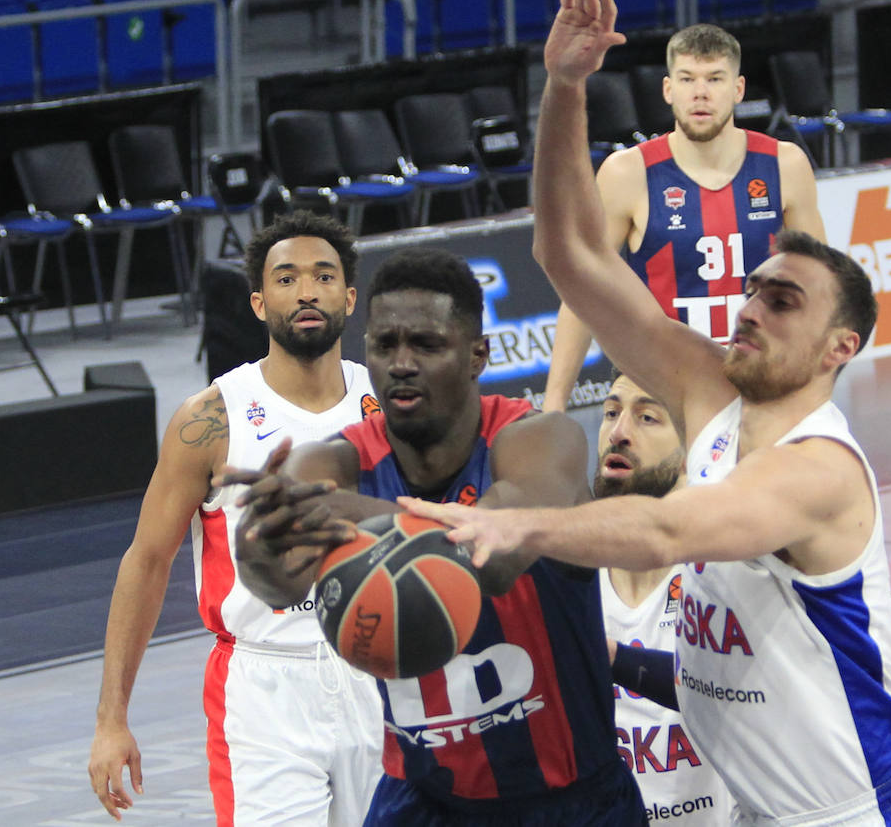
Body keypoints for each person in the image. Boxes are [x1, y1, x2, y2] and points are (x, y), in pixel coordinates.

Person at [402, 0, 891, 827]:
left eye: (784, 302)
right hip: (760, 811)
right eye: (756, 288)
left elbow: (670, 530)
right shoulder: (708, 392)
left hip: (868, 812)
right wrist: (564, 88)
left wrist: (520, 528)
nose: (751, 308)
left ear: (839, 348)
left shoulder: (819, 469)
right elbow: (567, 255)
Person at [222, 247, 645, 825]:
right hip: (423, 800)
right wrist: (258, 547)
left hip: (570, 801)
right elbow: (278, 586)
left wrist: (349, 514)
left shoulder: (541, 440)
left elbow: (494, 555)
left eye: (425, 345)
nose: (401, 363)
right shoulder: (331, 464)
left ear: (477, 356)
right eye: (384, 345)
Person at [88, 212, 384, 826]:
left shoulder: (389, 404)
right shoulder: (210, 419)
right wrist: (111, 719)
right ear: (258, 302)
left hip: (383, 674)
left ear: (350, 297)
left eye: (324, 276)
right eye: (287, 278)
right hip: (265, 691)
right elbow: (147, 561)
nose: (307, 291)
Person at [542, 20, 826, 413]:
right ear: (668, 89)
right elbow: (583, 292)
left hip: (762, 381)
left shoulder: (784, 164)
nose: (700, 93)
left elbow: (820, 287)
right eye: (687, 79)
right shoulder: (628, 173)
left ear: (738, 89)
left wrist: (816, 387)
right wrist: (554, 405)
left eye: (715, 79)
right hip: (665, 391)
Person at [596, 373, 733, 825]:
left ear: (693, 449)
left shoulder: (725, 567)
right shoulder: (571, 573)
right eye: (611, 413)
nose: (618, 432)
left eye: (647, 417)